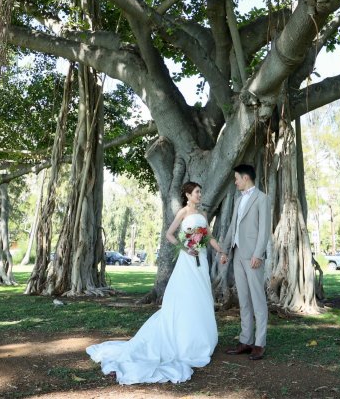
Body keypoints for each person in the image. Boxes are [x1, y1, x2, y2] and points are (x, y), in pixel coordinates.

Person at [86, 181, 227, 384]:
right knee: (186, 296)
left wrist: (221, 251)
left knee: (202, 296)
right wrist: (185, 247)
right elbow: (169, 234)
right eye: (197, 192)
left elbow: (210, 237)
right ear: (188, 195)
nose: (199, 195)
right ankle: (183, 341)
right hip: (187, 260)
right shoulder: (183, 213)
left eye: (200, 192)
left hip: (201, 259)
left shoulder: (203, 215)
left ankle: (200, 340)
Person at [220, 163, 270, 360]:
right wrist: (225, 250)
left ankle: (259, 343)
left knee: (258, 300)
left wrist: (258, 254)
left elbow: (264, 229)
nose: (235, 182)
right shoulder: (238, 199)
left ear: (245, 178)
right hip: (237, 254)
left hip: (253, 257)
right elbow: (232, 227)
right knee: (244, 300)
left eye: (236, 178)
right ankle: (245, 340)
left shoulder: (262, 198)